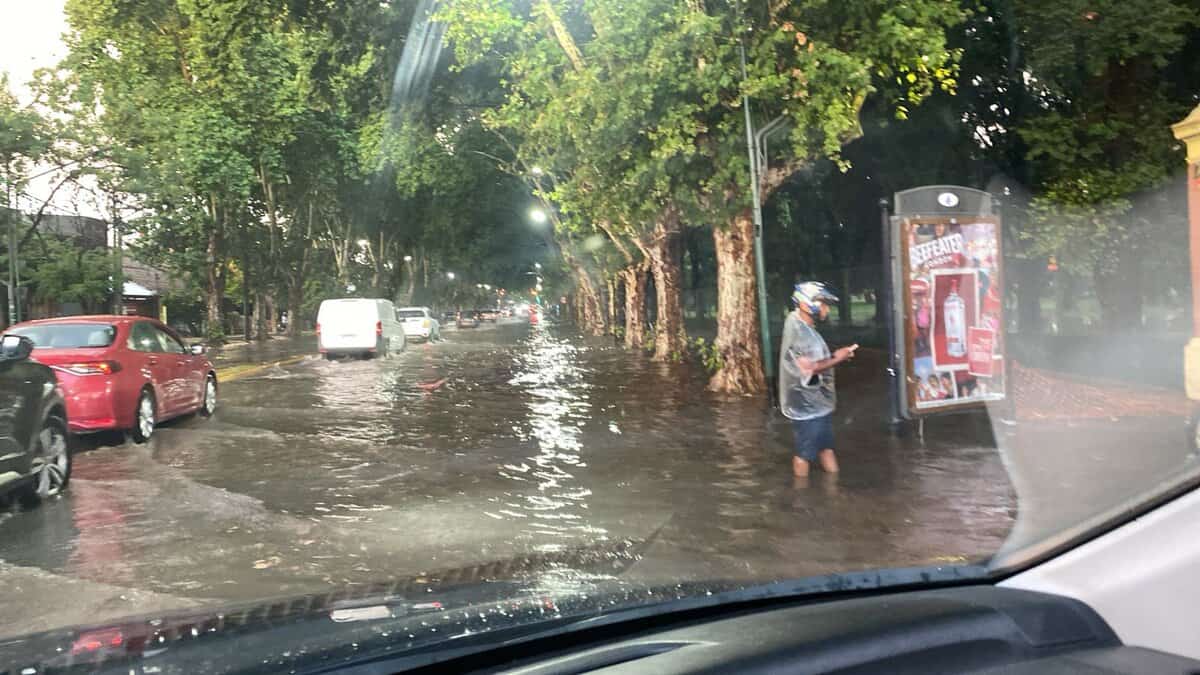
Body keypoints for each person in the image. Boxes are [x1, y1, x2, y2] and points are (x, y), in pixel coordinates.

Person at [779, 282, 858, 477]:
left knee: (826, 447)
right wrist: (838, 357)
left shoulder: (801, 324)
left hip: (816, 401)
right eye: (822, 303)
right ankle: (801, 497)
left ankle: (833, 491)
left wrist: (837, 356)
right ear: (806, 305)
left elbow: (811, 361)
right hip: (806, 405)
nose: (826, 308)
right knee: (803, 454)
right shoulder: (799, 333)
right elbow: (809, 368)